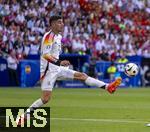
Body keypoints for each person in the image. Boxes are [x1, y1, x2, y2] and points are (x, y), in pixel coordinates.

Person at [16, 15, 122, 124]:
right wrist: (60, 62)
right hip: (48, 71)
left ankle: (108, 87)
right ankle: (24, 116)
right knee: (45, 99)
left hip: (57, 68)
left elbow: (54, 53)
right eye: (59, 22)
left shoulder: (59, 36)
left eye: (62, 22)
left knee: (82, 75)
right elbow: (45, 55)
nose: (62, 24)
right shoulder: (49, 37)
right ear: (52, 24)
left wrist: (60, 61)